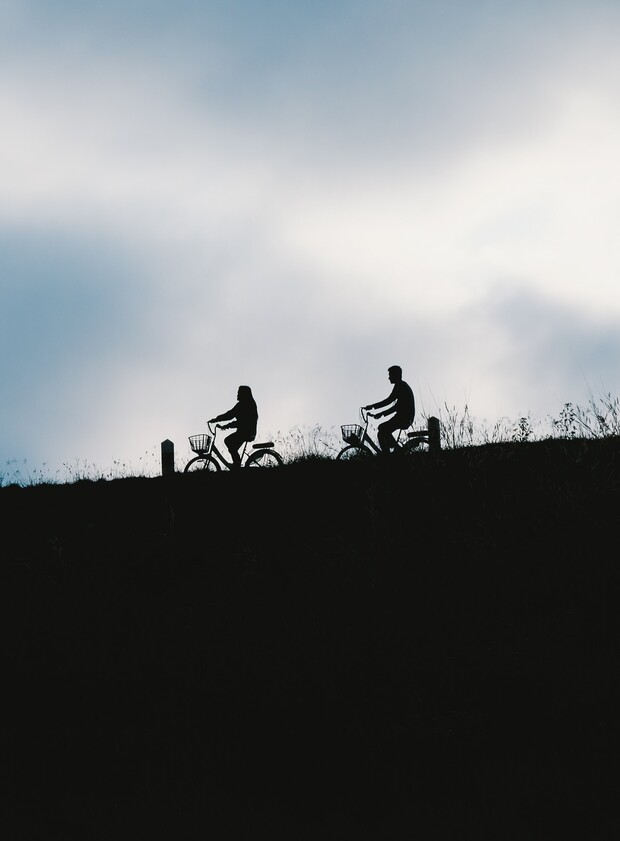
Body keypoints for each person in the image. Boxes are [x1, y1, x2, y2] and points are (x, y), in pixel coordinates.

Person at [363, 365, 415, 454]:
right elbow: (396, 406)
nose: (389, 378)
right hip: (404, 417)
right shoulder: (402, 385)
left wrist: (373, 406)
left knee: (382, 428)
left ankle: (390, 455)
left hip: (404, 418)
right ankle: (391, 452)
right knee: (382, 431)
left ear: (396, 375)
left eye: (390, 375)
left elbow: (389, 401)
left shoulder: (400, 386)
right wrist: (381, 413)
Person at [208, 385, 258, 469]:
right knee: (231, 445)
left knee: (229, 443)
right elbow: (237, 419)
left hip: (246, 432)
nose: (237, 395)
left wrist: (216, 420)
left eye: (239, 393)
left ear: (243, 394)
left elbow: (230, 415)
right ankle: (236, 465)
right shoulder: (248, 403)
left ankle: (236, 467)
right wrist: (226, 425)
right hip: (246, 431)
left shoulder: (243, 404)